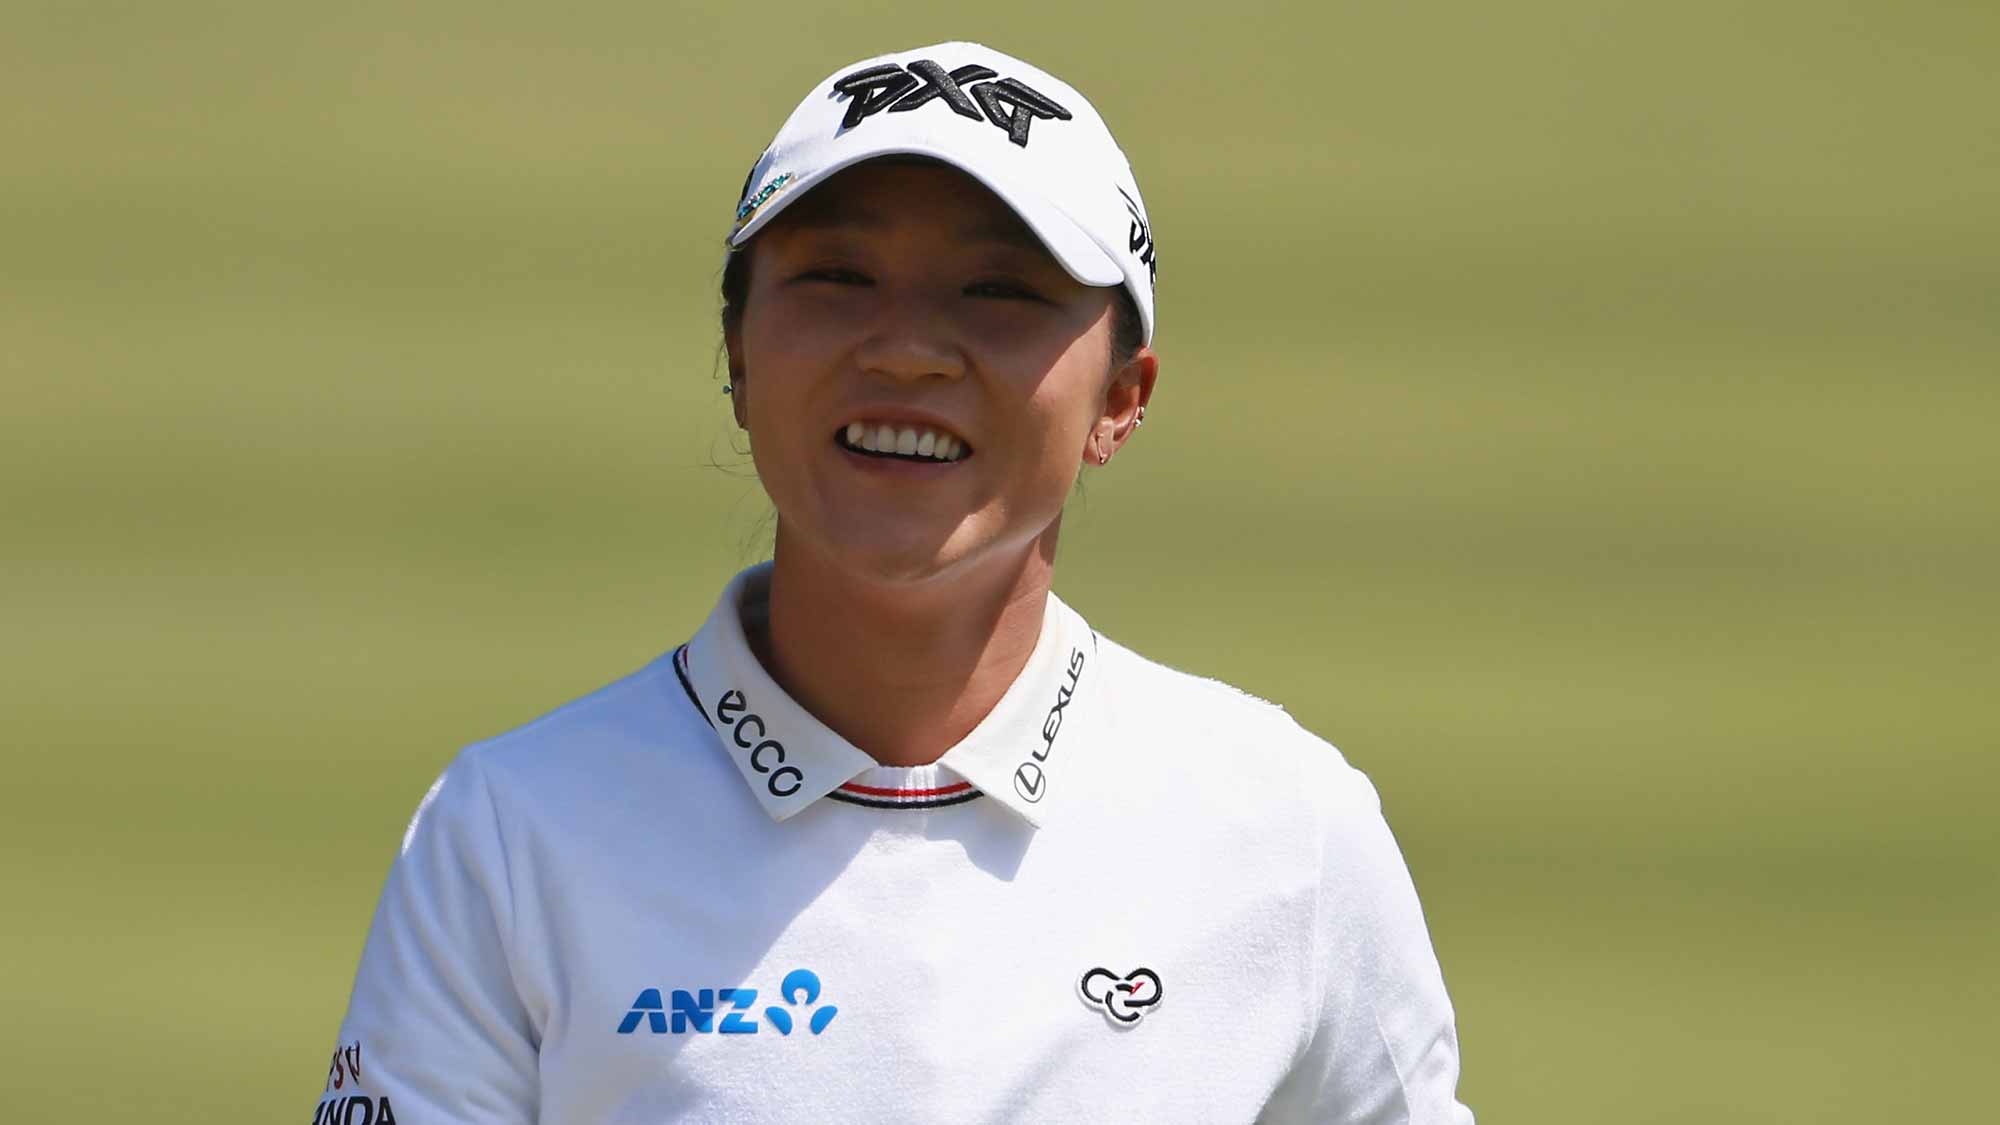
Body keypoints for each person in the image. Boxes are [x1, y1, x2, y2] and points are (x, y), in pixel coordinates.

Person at [315, 41, 1472, 1125]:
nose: (906, 348)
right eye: (836, 276)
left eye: (1000, 292)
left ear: (1122, 398)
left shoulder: (1282, 831)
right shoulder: (513, 835)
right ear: (736, 353)